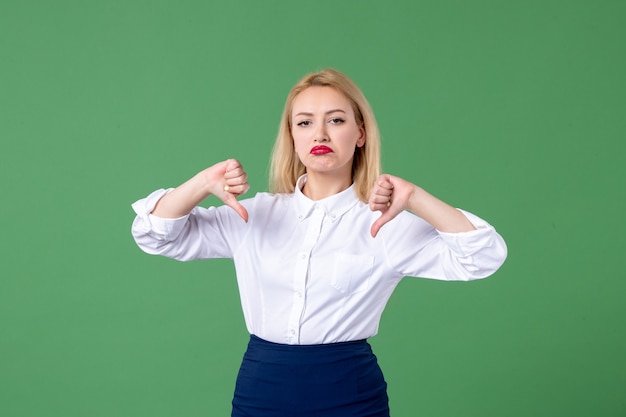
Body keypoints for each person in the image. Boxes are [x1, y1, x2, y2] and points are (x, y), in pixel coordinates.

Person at [131, 68, 507, 416]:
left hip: (350, 393)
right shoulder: (253, 215)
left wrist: (417, 199)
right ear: (292, 137)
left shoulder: (386, 225)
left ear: (360, 134)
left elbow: (482, 257)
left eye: (336, 120)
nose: (320, 134)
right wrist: (200, 184)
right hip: (262, 390)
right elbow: (156, 235)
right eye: (305, 123)